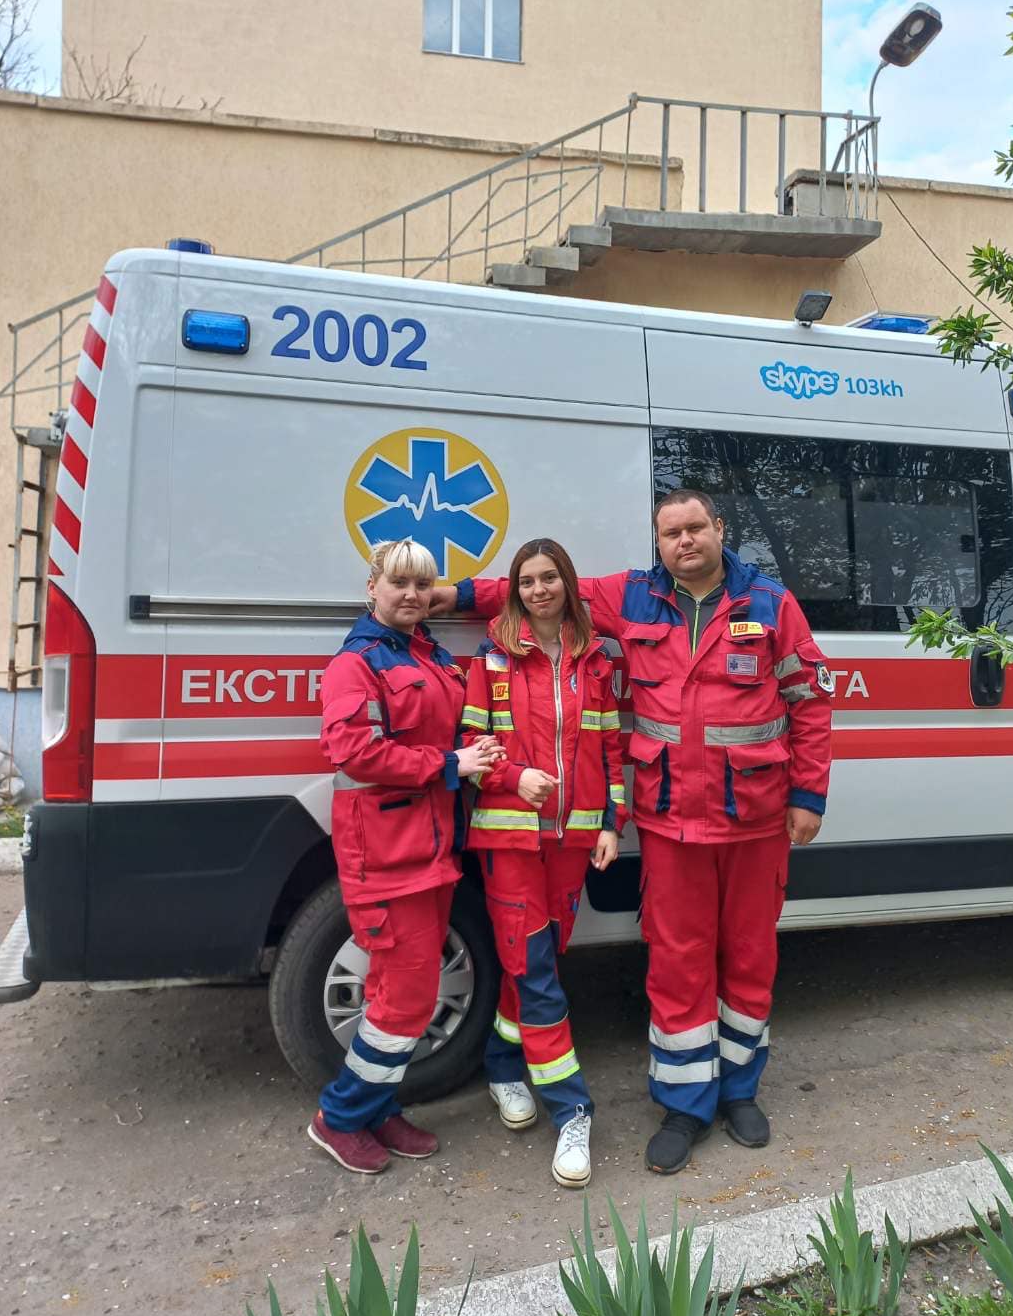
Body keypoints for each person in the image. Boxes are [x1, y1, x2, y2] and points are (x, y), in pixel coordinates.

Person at [433, 489, 833, 1175]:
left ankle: (739, 1092)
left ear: (720, 528)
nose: (684, 541)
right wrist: (452, 594)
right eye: (671, 532)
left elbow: (810, 701)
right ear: (658, 541)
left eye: (695, 528)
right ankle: (684, 1105)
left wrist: (808, 795)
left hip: (756, 819)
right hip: (672, 821)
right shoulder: (633, 597)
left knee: (749, 957)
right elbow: (544, 586)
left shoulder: (771, 604)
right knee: (677, 961)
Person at [309, 537, 502, 1174]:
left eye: (423, 585)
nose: (413, 595)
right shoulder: (356, 663)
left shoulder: (427, 653)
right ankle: (339, 1118)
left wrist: (476, 748)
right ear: (373, 588)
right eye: (399, 583)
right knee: (408, 996)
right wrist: (451, 763)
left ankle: (378, 1107)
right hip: (388, 854)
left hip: (430, 846)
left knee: (393, 990)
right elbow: (355, 751)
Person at [460, 538, 626, 1190]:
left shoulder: (595, 659)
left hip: (574, 842)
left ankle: (503, 1066)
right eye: (526, 580)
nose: (538, 589)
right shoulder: (493, 657)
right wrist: (514, 777)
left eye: (548, 577)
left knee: (535, 964)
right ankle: (572, 1110)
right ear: (515, 590)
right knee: (536, 972)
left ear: (567, 583)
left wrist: (611, 822)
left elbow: (611, 747)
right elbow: (472, 746)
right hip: (511, 841)